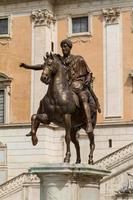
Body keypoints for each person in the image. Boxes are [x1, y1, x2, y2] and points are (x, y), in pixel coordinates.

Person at [60, 39, 101, 134]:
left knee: (83, 97)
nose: (63, 48)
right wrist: (28, 66)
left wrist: (87, 80)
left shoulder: (78, 59)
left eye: (65, 46)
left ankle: (89, 123)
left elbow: (89, 72)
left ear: (70, 48)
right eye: (62, 46)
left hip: (79, 84)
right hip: (66, 86)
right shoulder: (60, 61)